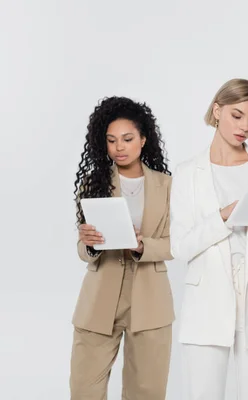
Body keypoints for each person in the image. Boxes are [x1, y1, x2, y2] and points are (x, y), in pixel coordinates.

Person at [170, 78, 248, 400]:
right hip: (206, 302)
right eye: (237, 116)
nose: (245, 127)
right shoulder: (186, 173)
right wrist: (222, 217)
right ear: (217, 110)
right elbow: (180, 247)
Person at [70, 96, 174, 399]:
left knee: (148, 391)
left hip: (150, 298)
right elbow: (81, 247)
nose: (119, 147)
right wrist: (90, 244)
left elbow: (176, 243)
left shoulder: (167, 186)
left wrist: (143, 245)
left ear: (143, 139)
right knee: (83, 389)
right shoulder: (94, 183)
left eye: (127, 139)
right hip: (101, 296)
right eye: (111, 140)